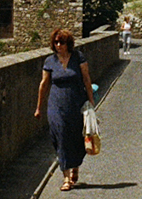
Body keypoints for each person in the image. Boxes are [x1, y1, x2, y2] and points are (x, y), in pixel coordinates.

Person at [34, 28, 96, 190]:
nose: (59, 45)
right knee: (59, 136)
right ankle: (66, 178)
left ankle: (75, 166)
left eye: (62, 42)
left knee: (76, 137)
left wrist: (91, 102)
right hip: (56, 104)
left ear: (69, 43)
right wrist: (38, 107)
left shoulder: (78, 57)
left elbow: (86, 79)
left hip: (76, 103)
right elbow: (44, 85)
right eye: (56, 42)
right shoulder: (50, 61)